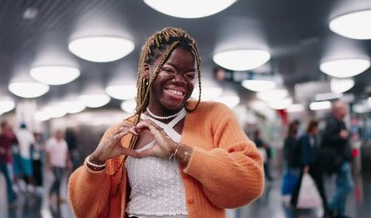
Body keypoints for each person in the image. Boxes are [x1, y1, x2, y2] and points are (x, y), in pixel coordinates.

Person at [68, 27, 264, 218]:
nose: (180, 80)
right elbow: (84, 211)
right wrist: (95, 162)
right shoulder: (123, 133)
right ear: (147, 71)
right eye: (169, 69)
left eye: (189, 75)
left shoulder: (214, 116)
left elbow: (250, 183)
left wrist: (179, 151)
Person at [320, 101, 354, 218]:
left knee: (341, 185)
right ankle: (330, 207)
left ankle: (340, 213)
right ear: (336, 111)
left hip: (342, 159)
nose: (344, 112)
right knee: (347, 185)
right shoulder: (332, 123)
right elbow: (326, 140)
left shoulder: (341, 123)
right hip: (338, 160)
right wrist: (340, 136)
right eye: (342, 110)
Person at [290, 120, 330, 216]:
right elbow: (305, 152)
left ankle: (324, 202)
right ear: (312, 127)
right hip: (308, 165)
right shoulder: (305, 138)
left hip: (315, 165)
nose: (317, 129)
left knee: (319, 183)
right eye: (316, 127)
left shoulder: (314, 137)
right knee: (301, 182)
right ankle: (294, 200)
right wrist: (305, 165)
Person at [0, 120, 18, 206]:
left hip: (6, 161)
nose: (7, 130)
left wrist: (13, 131)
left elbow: (16, 142)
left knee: (9, 180)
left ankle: (10, 200)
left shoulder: (9, 137)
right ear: (2, 128)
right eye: (6, 128)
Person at [45, 129, 71, 202]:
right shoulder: (50, 142)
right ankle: (55, 195)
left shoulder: (64, 143)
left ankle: (55, 195)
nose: (59, 135)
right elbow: (48, 154)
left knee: (59, 180)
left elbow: (66, 153)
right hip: (54, 163)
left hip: (61, 164)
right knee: (58, 179)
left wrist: (68, 161)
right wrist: (49, 163)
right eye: (58, 133)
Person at [281, 121, 301, 199]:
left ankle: (292, 194)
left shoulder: (295, 139)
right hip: (291, 163)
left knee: (293, 179)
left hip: (295, 163)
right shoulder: (289, 140)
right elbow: (287, 153)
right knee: (289, 179)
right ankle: (287, 194)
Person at [13, 122, 35, 193]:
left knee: (17, 172)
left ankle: (15, 186)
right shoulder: (29, 134)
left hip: (17, 156)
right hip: (26, 155)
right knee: (28, 172)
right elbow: (32, 145)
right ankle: (29, 186)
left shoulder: (17, 133)